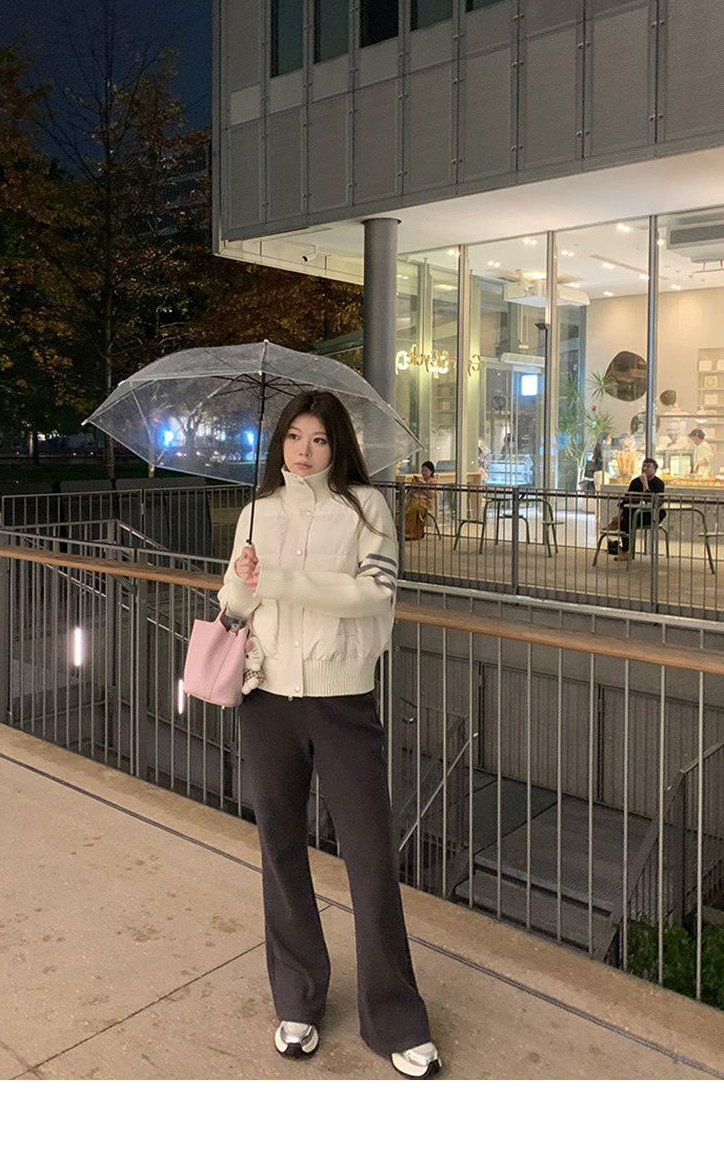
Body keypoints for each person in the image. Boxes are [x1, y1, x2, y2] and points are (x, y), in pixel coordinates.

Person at [219, 390, 441, 1079]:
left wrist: (281, 580)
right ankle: (298, 999)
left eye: (318, 438)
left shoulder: (366, 508)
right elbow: (232, 603)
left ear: (337, 444)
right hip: (266, 700)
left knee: (370, 858)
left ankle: (395, 1017)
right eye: (294, 436)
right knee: (280, 849)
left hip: (343, 702)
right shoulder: (257, 511)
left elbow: (374, 593)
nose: (304, 450)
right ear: (280, 443)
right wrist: (244, 584)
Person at [611, 457, 665, 561]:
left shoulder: (659, 484)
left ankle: (620, 525)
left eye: (648, 467)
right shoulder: (635, 482)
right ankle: (626, 551)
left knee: (628, 519)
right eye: (643, 466)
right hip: (636, 512)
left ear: (654, 470)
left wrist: (645, 483)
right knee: (625, 520)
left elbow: (650, 500)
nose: (644, 469)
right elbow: (626, 500)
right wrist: (619, 515)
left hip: (653, 514)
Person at [405, 459, 437, 539]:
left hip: (424, 502)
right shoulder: (421, 479)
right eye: (422, 470)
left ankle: (413, 532)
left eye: (426, 471)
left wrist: (424, 485)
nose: (424, 473)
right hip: (414, 499)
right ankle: (405, 530)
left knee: (414, 508)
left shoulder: (433, 481)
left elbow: (431, 495)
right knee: (406, 509)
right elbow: (413, 491)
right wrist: (414, 484)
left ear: (431, 471)